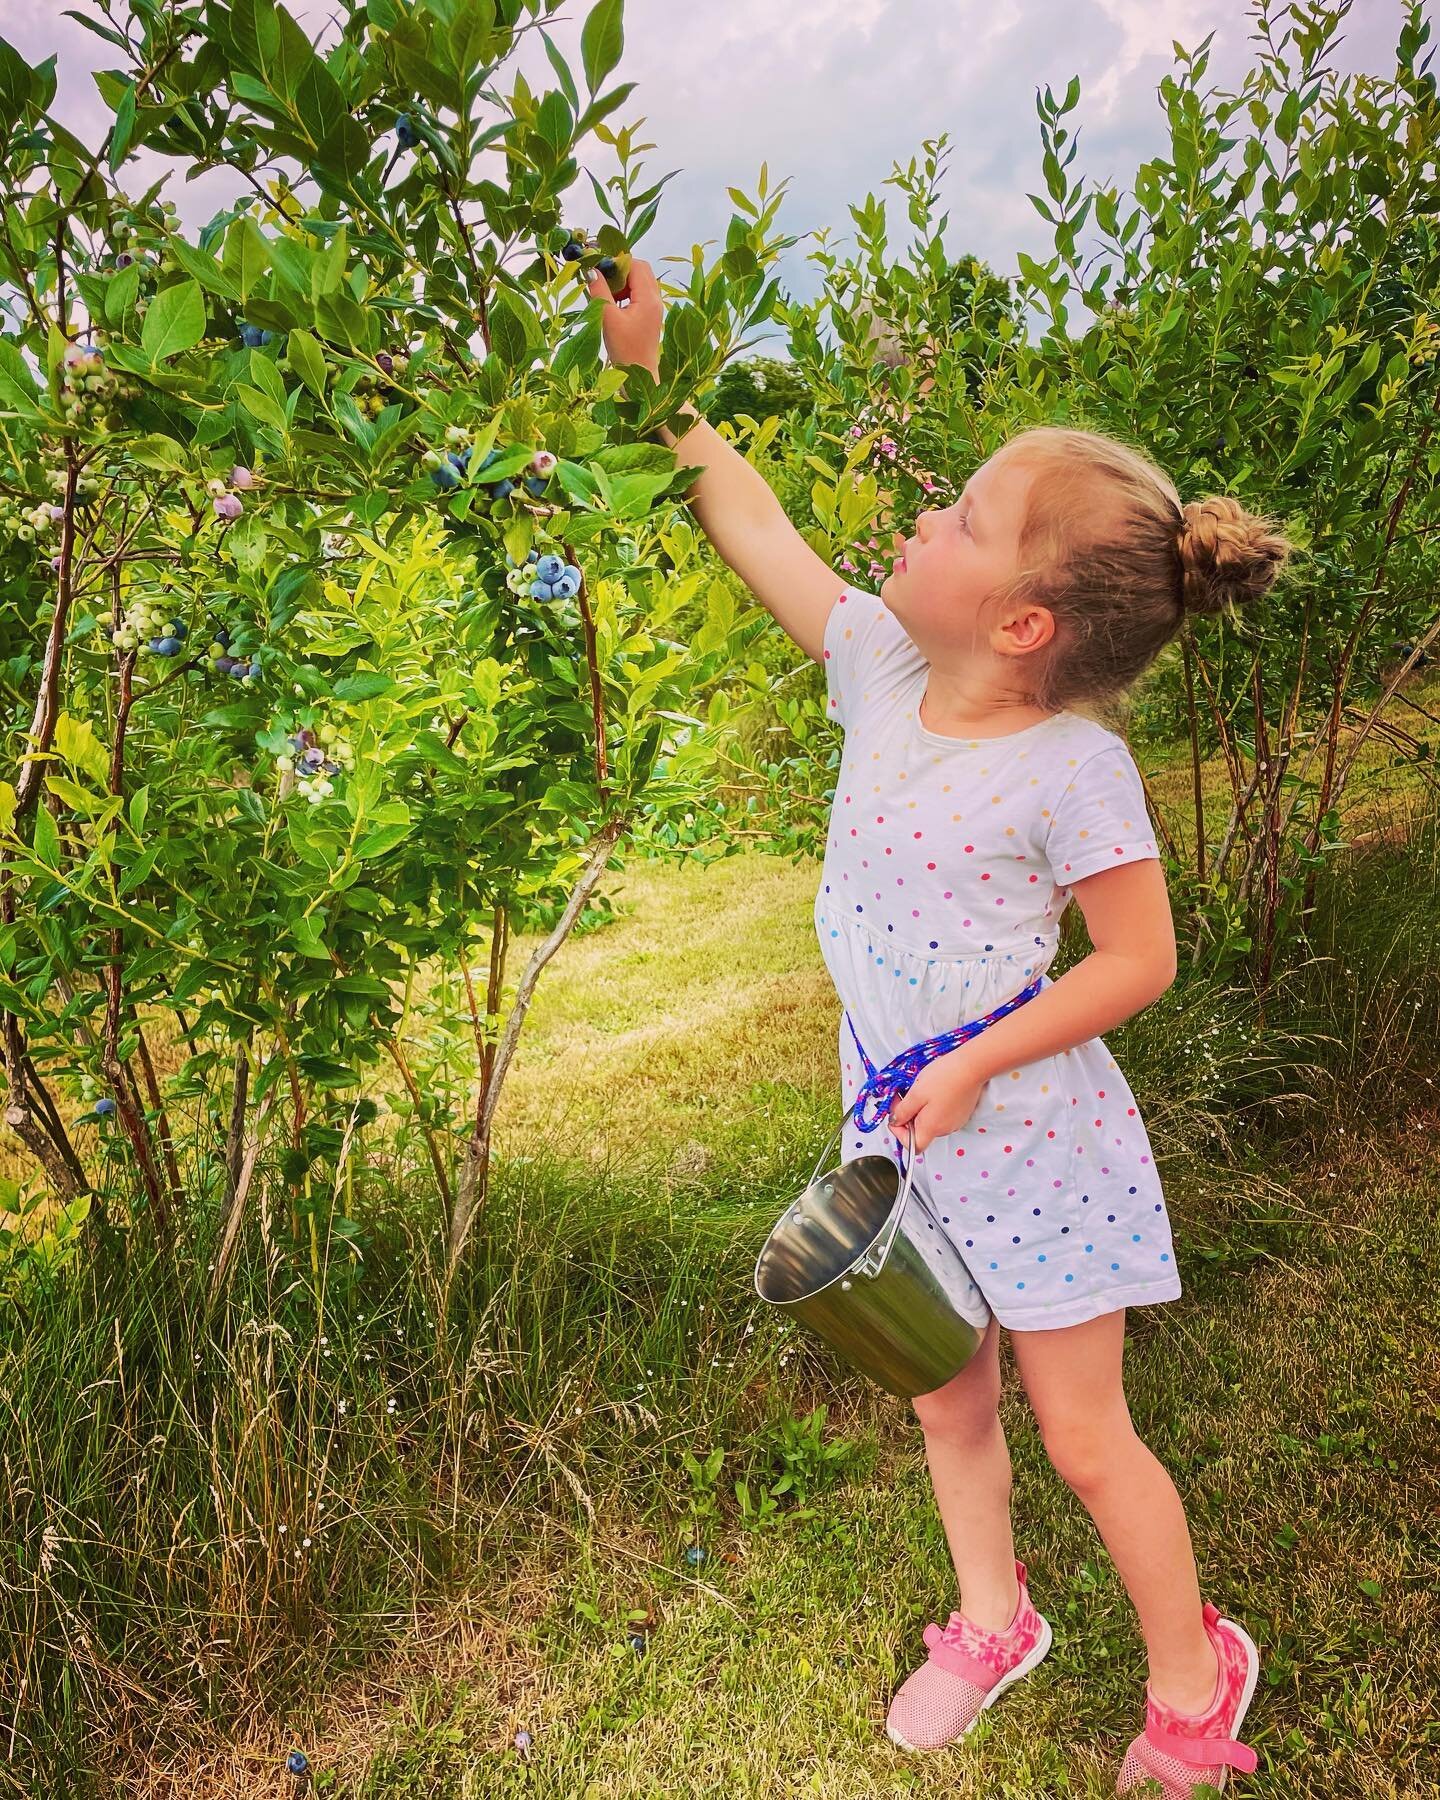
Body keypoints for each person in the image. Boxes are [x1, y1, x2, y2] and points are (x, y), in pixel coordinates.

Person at [587, 259, 1294, 1797]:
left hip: (1027, 1136)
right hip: (903, 1126)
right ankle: (994, 1619)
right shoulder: (883, 673)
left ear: (1026, 623)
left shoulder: (1068, 772)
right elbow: (754, 522)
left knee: (1083, 1433)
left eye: (961, 520)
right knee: (943, 1390)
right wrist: (651, 381)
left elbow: (1138, 962)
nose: (921, 518)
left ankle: (1194, 1682)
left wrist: (977, 1058)